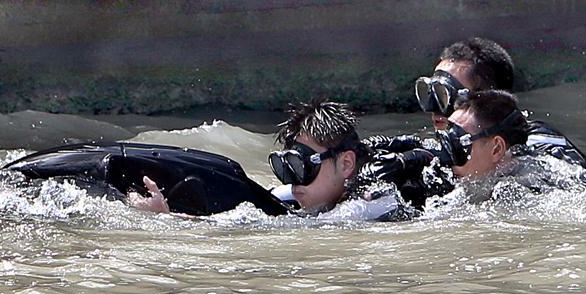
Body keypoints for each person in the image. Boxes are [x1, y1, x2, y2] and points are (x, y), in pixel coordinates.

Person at [131, 101, 420, 221]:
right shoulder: (295, 195)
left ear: (345, 165)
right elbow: (248, 215)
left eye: (304, 166)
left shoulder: (376, 202)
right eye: (288, 166)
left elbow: (306, 229)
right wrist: (171, 209)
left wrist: (173, 221)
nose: (294, 180)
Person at [409, 37, 586, 187]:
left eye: (445, 96)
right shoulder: (458, 150)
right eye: (431, 93)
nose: (434, 109)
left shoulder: (530, 147)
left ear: (488, 100)